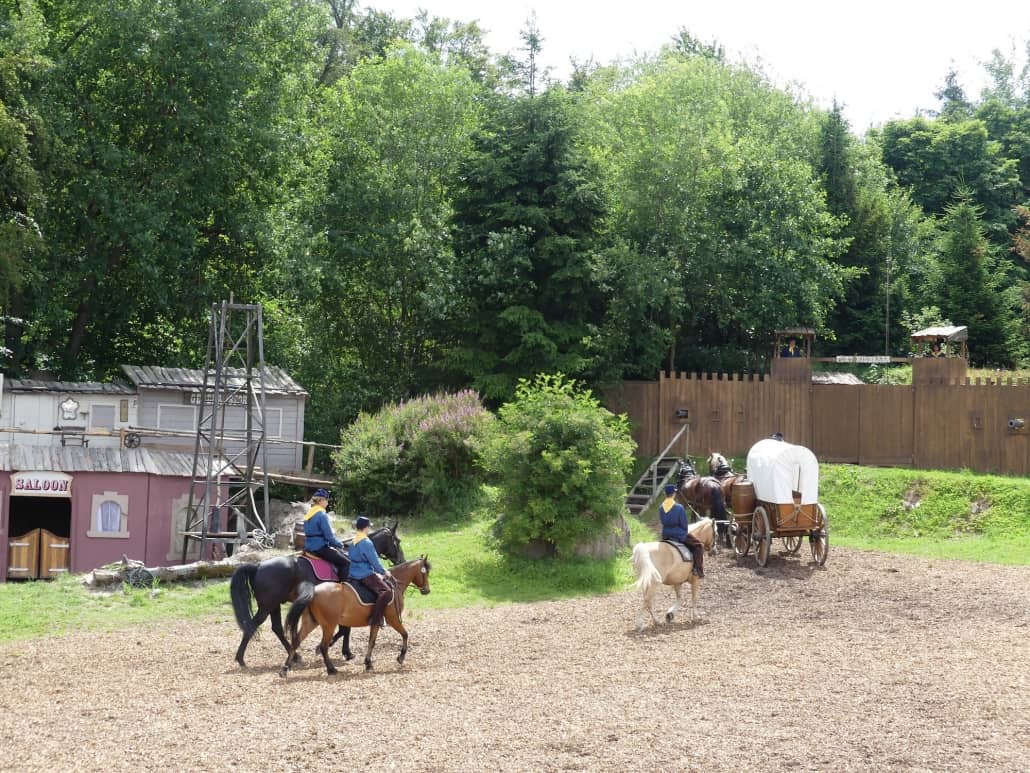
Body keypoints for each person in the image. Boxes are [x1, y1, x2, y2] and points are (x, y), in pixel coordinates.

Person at [348, 515, 393, 627]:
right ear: (365, 528)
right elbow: (374, 561)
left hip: (352, 573)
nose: (369, 529)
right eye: (369, 527)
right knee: (386, 592)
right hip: (364, 574)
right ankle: (376, 619)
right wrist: (384, 572)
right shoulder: (366, 542)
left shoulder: (353, 541)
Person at [302, 488, 350, 581]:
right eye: (326, 500)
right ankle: (342, 587)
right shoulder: (322, 515)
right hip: (320, 548)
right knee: (346, 563)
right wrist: (340, 544)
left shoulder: (309, 513)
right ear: (321, 501)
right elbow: (329, 537)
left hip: (308, 547)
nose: (327, 503)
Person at [658, 483, 704, 578]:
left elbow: (663, 521)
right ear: (674, 494)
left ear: (666, 494)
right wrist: (684, 532)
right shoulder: (679, 507)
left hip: (666, 534)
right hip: (678, 535)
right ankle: (696, 568)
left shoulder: (661, 507)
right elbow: (683, 524)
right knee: (698, 546)